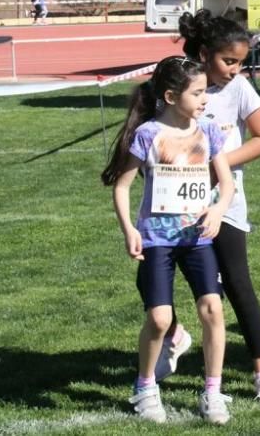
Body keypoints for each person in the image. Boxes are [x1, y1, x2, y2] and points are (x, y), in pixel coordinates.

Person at [149, 10, 260, 406]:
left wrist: (216, 166)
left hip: (224, 207)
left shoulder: (239, 89)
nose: (235, 69)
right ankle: (174, 337)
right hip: (171, 209)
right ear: (205, 54)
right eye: (229, 61)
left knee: (238, 286)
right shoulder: (177, 87)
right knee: (152, 282)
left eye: (240, 62)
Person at [100, 56, 235, 425]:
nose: (205, 99)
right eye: (198, 92)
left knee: (213, 310)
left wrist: (219, 210)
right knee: (159, 319)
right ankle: (145, 387)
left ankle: (212, 392)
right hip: (157, 239)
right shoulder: (148, 135)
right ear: (172, 96)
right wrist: (130, 229)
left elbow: (226, 183)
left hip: (198, 239)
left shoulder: (208, 131)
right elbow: (123, 186)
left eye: (205, 91)